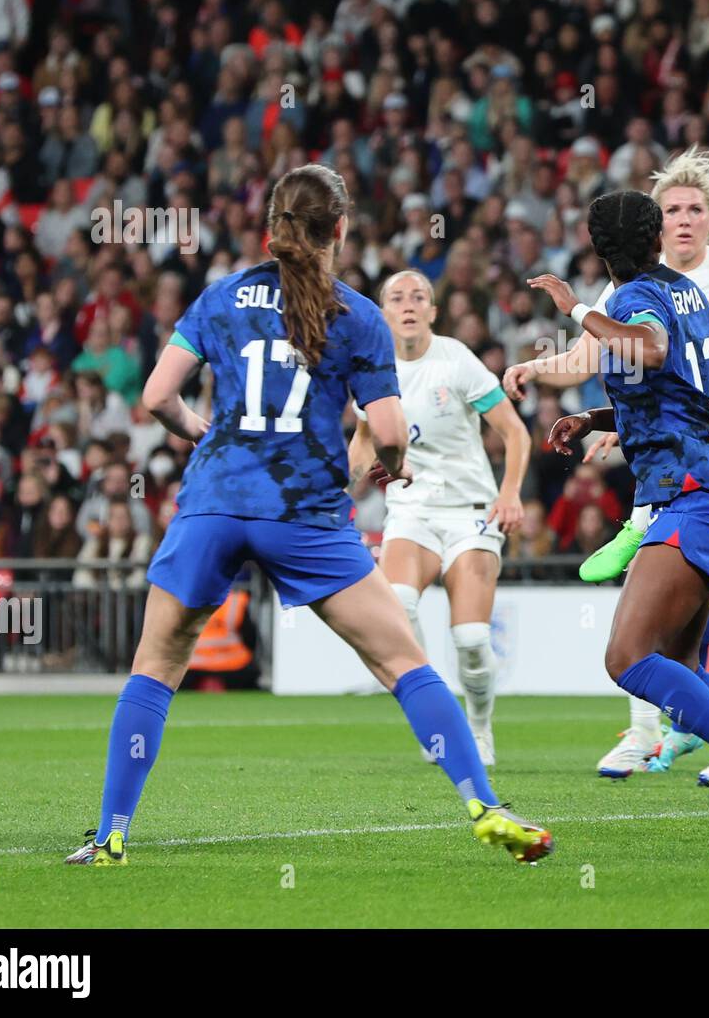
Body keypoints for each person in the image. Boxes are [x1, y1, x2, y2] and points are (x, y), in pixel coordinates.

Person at [65, 164, 550, 867]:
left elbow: (155, 396)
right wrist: (393, 461)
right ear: (341, 230)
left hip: (215, 501)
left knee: (157, 664)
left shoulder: (222, 296)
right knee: (403, 661)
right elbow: (388, 428)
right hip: (304, 512)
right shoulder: (357, 315)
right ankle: (483, 802)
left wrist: (212, 436)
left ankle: (110, 835)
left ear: (270, 227)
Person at [531, 188, 709, 841]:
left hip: (701, 494)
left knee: (627, 657)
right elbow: (680, 391)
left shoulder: (631, 300)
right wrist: (595, 417)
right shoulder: (685, 290)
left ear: (598, 246)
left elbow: (652, 351)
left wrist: (575, 307)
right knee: (678, 663)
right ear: (657, 234)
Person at [350, 268, 531, 766]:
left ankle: (479, 727)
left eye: (419, 297)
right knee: (398, 611)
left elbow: (516, 433)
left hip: (470, 512)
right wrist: (336, 496)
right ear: (383, 312)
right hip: (411, 511)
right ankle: (440, 722)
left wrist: (510, 493)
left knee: (471, 640)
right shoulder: (370, 369)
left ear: (432, 310)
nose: (408, 305)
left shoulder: (457, 361)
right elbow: (365, 442)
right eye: (396, 298)